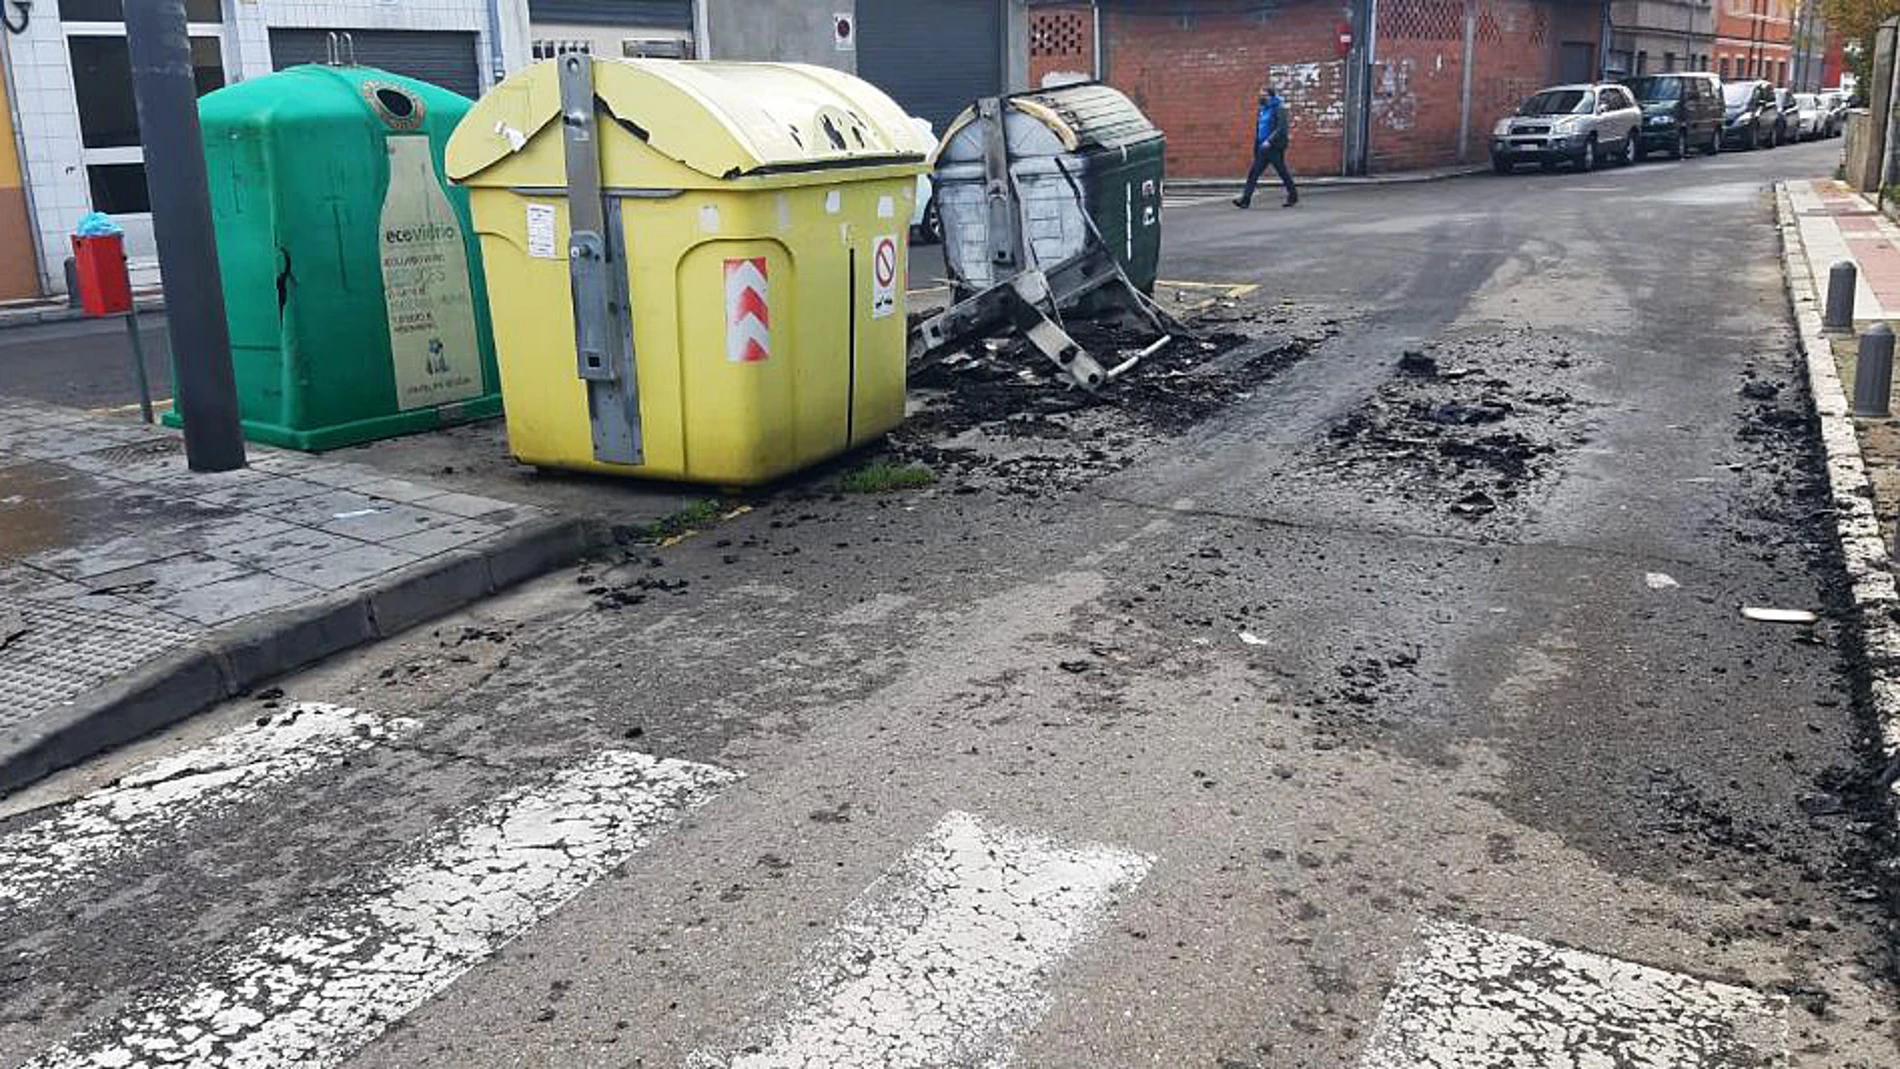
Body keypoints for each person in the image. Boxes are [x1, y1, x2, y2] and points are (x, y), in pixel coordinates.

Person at [1235, 86, 1297, 209]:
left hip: (1273, 147)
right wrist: (1258, 143)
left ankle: (1293, 195)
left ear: (1270, 96)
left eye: (1264, 95)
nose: (1261, 97)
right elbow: (1259, 128)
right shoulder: (1262, 110)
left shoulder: (1279, 109)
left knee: (1282, 171)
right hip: (1261, 147)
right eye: (1260, 95)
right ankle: (1245, 200)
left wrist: (1269, 140)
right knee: (1254, 173)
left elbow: (1281, 128)